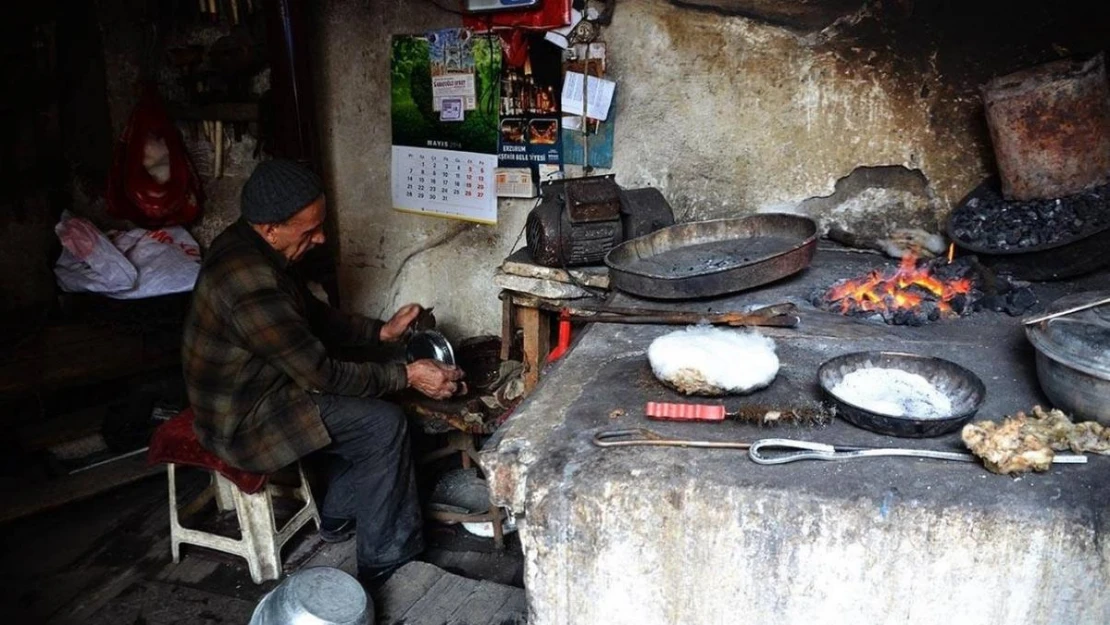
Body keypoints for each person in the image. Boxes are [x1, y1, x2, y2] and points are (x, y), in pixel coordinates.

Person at [182, 159, 463, 589]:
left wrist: (381, 331)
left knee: (373, 400)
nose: (322, 238)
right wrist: (407, 375)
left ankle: (337, 514)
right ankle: (386, 563)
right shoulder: (247, 283)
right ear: (271, 228)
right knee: (383, 425)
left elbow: (310, 317)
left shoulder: (255, 247)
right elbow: (322, 376)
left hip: (265, 387)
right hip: (241, 421)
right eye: (309, 231)